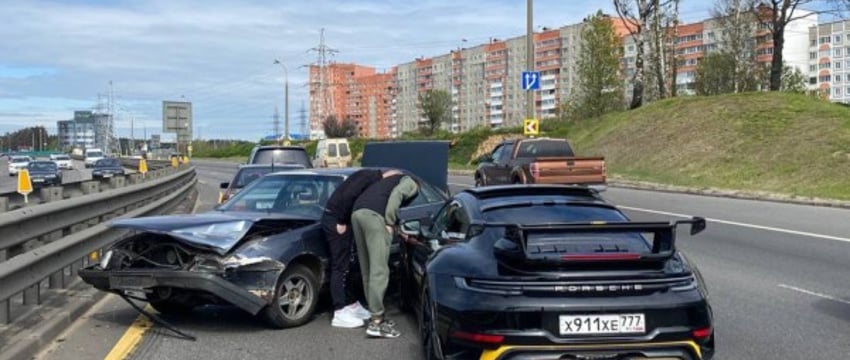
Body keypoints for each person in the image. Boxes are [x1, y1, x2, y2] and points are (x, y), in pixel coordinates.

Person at [321, 168, 393, 328]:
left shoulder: (371, 176)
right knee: (340, 266)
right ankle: (339, 311)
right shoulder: (369, 177)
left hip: (344, 220)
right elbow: (349, 194)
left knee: (352, 264)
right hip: (336, 220)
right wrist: (340, 221)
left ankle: (351, 304)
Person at [351, 172, 418, 338]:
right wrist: (389, 221)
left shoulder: (386, 182)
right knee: (379, 270)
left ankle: (375, 315)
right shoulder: (410, 182)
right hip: (375, 218)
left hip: (357, 214)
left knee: (367, 270)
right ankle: (377, 322)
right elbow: (398, 195)